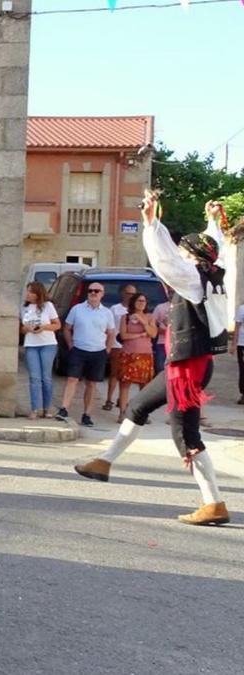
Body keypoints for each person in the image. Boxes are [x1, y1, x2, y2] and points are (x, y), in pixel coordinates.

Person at [74, 199, 233, 526]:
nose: (183, 256)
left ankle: (214, 503)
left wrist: (151, 224)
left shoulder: (192, 277)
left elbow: (166, 260)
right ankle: (104, 461)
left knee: (186, 436)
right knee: (138, 407)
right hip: (188, 364)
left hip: (187, 369)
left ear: (193, 257)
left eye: (186, 253)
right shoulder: (214, 271)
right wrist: (212, 220)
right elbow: (211, 246)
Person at [55, 283, 115, 427]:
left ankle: (87, 414)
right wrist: (71, 345)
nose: (93, 293)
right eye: (90, 291)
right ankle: (64, 409)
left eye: (97, 291)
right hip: (79, 349)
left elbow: (111, 333)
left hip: (98, 351)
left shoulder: (107, 313)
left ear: (102, 294)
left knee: (92, 383)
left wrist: (107, 349)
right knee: (72, 379)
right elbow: (67, 328)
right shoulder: (77, 309)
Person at [20, 282, 61, 419]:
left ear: (38, 294)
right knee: (34, 378)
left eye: (31, 292)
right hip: (31, 344)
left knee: (46, 377)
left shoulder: (48, 306)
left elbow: (57, 325)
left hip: (47, 343)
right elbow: (22, 328)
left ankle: (47, 408)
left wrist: (43, 327)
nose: (28, 294)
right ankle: (34, 409)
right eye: (28, 291)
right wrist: (27, 329)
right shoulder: (25, 308)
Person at [115, 293, 157, 422]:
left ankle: (142, 412)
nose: (141, 303)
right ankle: (123, 412)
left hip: (145, 354)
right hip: (129, 354)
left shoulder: (150, 317)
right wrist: (140, 335)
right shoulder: (125, 317)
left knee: (144, 385)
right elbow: (124, 335)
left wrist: (143, 321)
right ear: (133, 302)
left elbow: (153, 334)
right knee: (125, 384)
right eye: (139, 300)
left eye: (143, 301)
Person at [102, 284, 136, 411]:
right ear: (122, 294)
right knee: (114, 373)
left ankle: (122, 400)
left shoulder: (136, 310)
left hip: (131, 346)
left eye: (133, 294)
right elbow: (109, 327)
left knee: (128, 376)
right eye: (128, 293)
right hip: (117, 344)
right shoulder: (115, 309)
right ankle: (109, 399)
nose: (131, 296)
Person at [152, 289, 172, 376]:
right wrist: (163, 331)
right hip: (162, 343)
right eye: (170, 293)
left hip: (178, 344)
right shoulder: (160, 307)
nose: (172, 295)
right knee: (160, 369)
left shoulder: (183, 307)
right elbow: (152, 325)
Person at [235, 299, 244, 405]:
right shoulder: (242, 309)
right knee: (243, 369)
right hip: (242, 344)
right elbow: (237, 327)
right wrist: (233, 344)